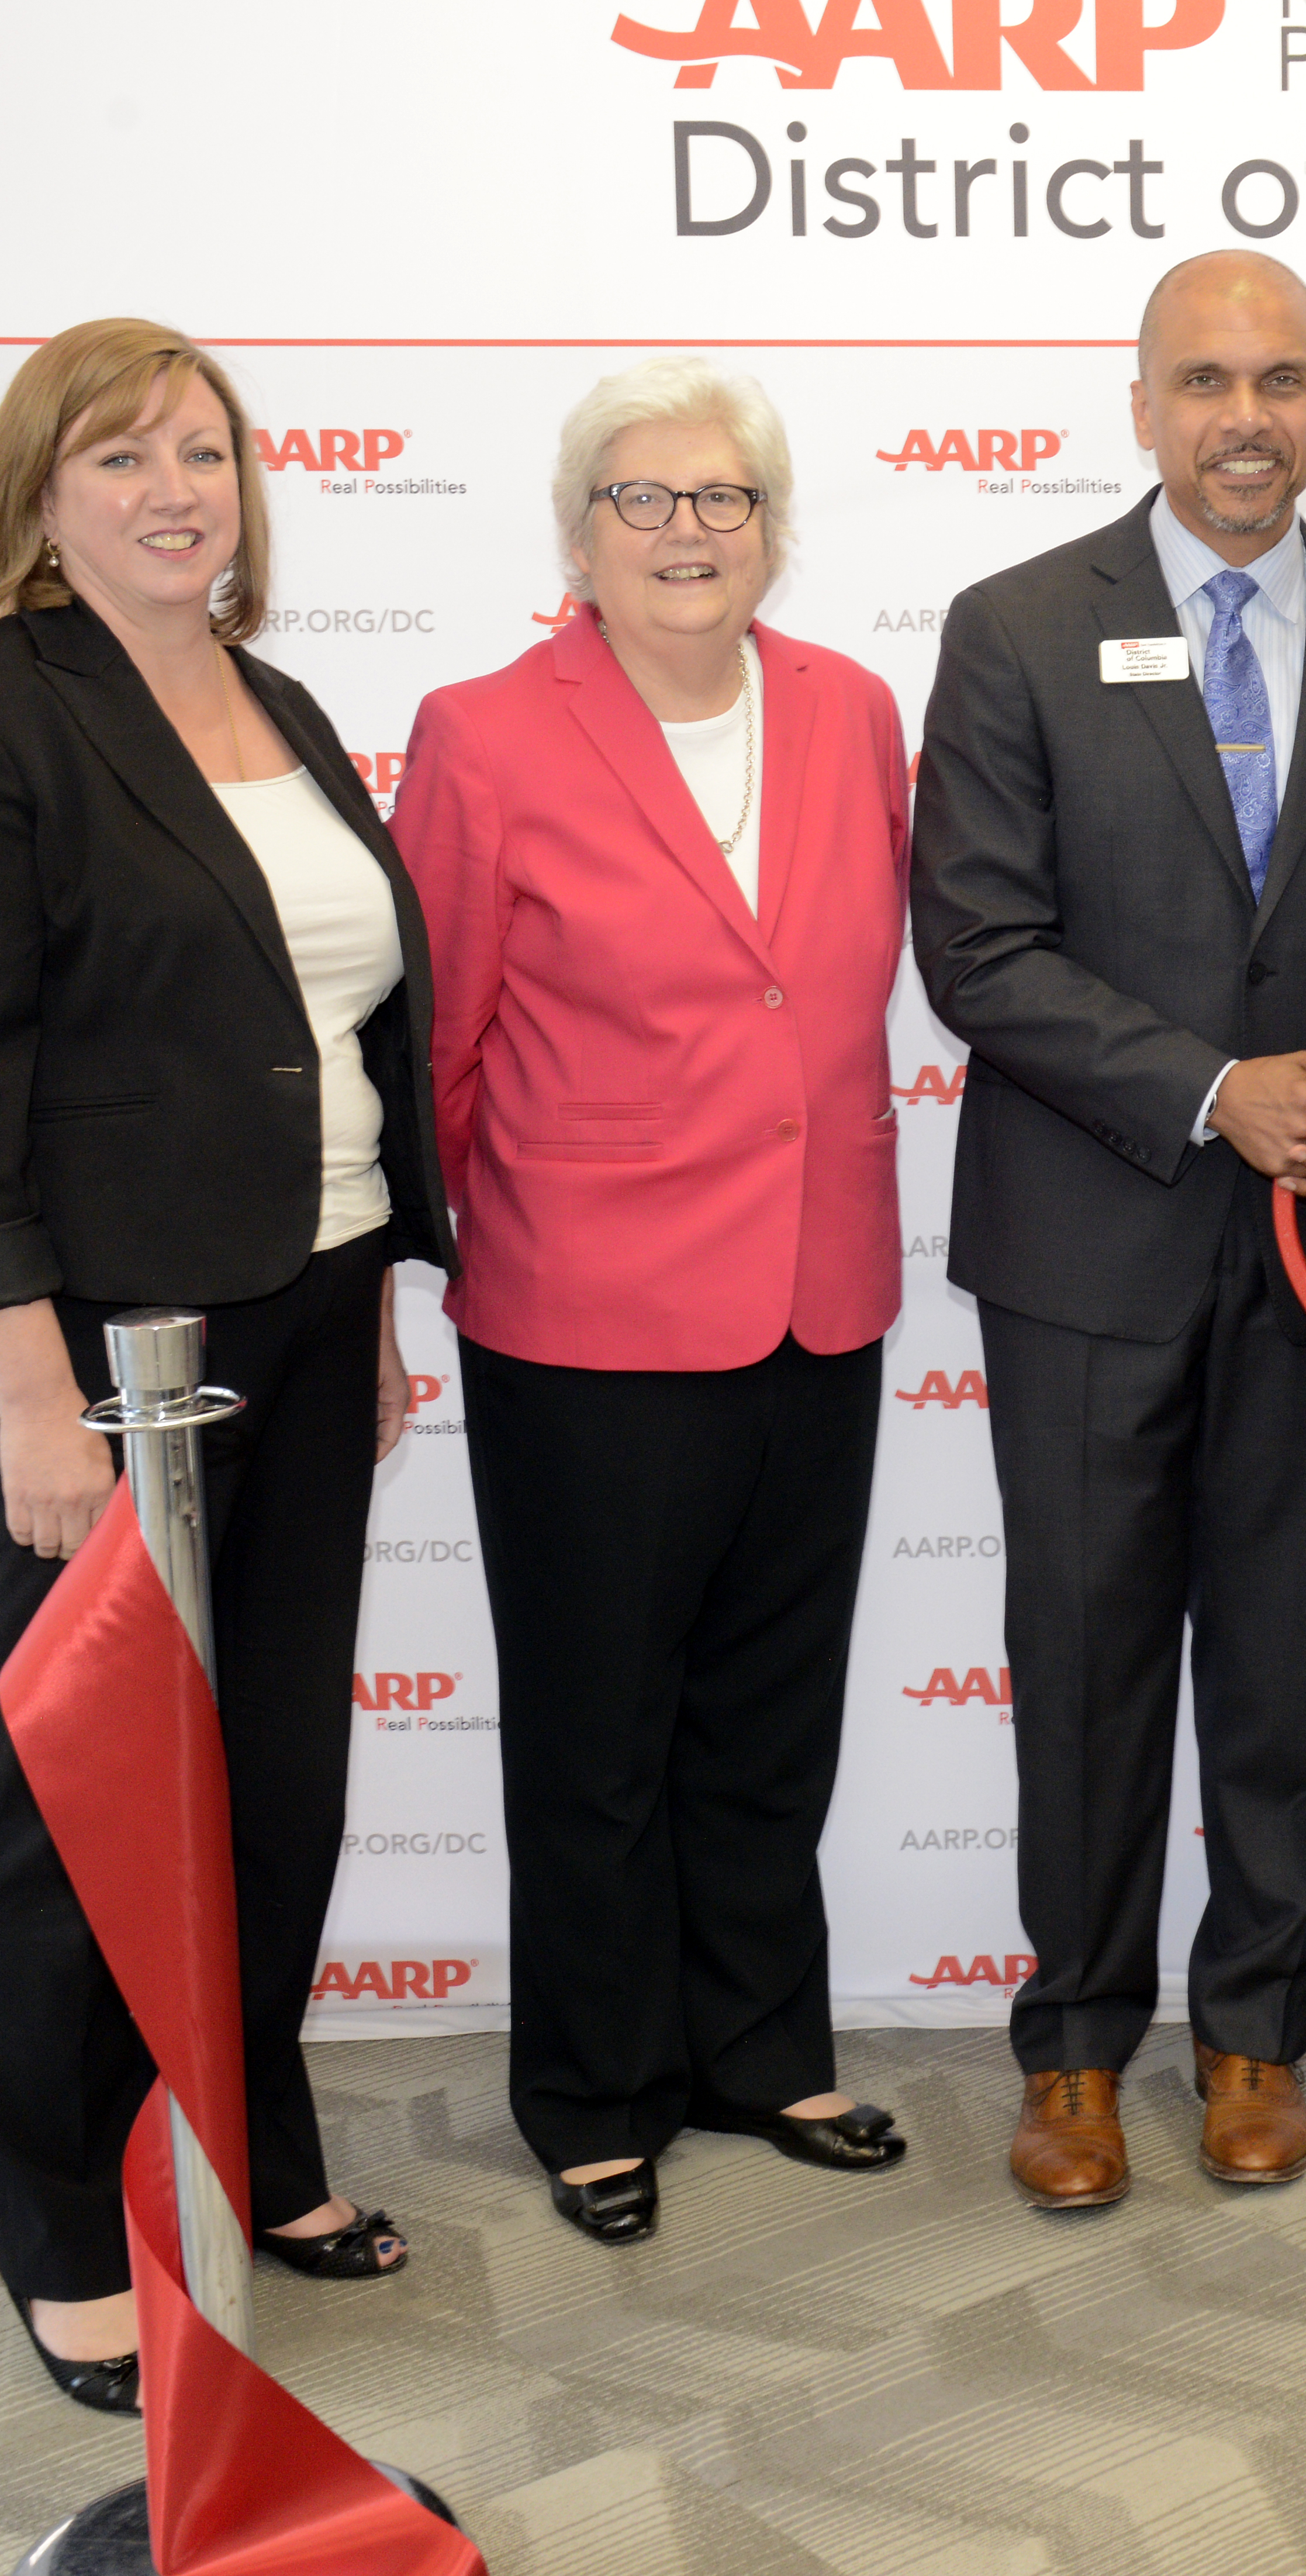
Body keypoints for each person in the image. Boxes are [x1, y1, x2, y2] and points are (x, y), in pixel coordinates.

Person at [0, 317, 446, 2413]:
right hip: (97, 1354)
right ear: (39, 497)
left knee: (271, 1776)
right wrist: (24, 1399)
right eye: (121, 459)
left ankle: (245, 2147)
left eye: (203, 450)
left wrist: (370, 1311)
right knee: (70, 1793)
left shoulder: (277, 702)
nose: (176, 487)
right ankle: (57, 2222)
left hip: (310, 1301)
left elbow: (339, 1047)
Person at [910, 253, 1306, 2211]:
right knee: (1084, 1659)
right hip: (1087, 1249)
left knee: (1276, 1667)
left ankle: (1255, 2036)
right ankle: (1071, 2051)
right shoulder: (1017, 628)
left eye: (1281, 381)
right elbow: (975, 948)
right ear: (1142, 403)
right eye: (1206, 380)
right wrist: (1218, 1092)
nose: (1246, 418)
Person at [389, 359, 911, 2249]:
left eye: (724, 500)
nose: (689, 533)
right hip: (584, 1314)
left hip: (822, 1291)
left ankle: (762, 2048)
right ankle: (598, 2088)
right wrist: (413, 1273)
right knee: (598, 1734)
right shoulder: (487, 730)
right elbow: (435, 1039)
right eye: (646, 500)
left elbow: (823, 987)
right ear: (578, 533)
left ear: (773, 527)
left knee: (770, 1718)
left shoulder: (854, 713)